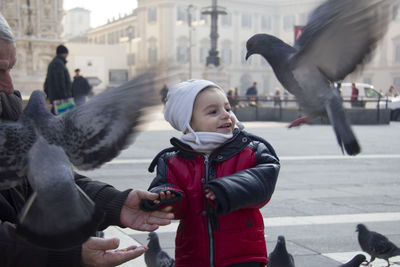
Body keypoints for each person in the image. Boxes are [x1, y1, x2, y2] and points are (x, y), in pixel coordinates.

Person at [0, 13, 173, 267]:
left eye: (10, 68)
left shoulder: (13, 112)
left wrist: (117, 203)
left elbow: (45, 174)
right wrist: (64, 254)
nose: (10, 84)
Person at [140, 79, 280, 267]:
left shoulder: (250, 150)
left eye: (228, 108)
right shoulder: (172, 160)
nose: (225, 115)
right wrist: (165, 198)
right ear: (188, 122)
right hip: (193, 254)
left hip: (243, 254)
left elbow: (264, 184)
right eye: (213, 112)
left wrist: (227, 190)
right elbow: (174, 206)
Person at [44, 44, 73, 114]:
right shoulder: (59, 64)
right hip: (60, 99)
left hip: (56, 97)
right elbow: (60, 82)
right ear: (65, 53)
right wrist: (64, 97)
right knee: (62, 119)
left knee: (57, 117)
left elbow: (47, 82)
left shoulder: (54, 63)